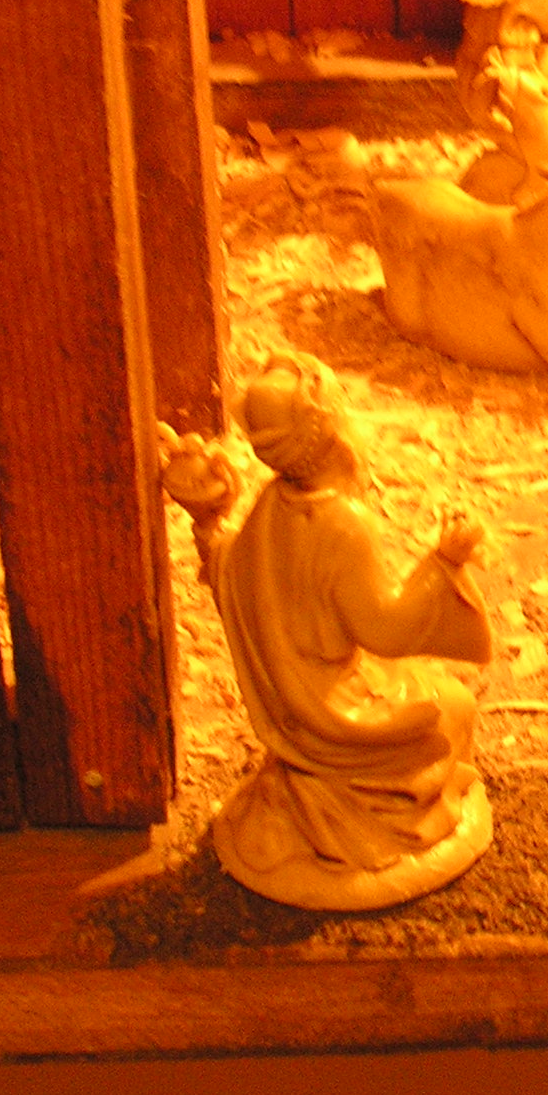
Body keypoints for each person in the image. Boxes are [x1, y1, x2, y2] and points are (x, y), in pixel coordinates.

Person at [156, 353, 498, 911]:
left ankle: (325, 791)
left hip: (291, 698)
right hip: (332, 708)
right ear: (331, 427)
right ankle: (383, 816)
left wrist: (207, 516)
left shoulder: (273, 502)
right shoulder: (345, 525)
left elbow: (231, 570)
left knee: (414, 686)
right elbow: (385, 632)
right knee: (454, 708)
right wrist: (444, 564)